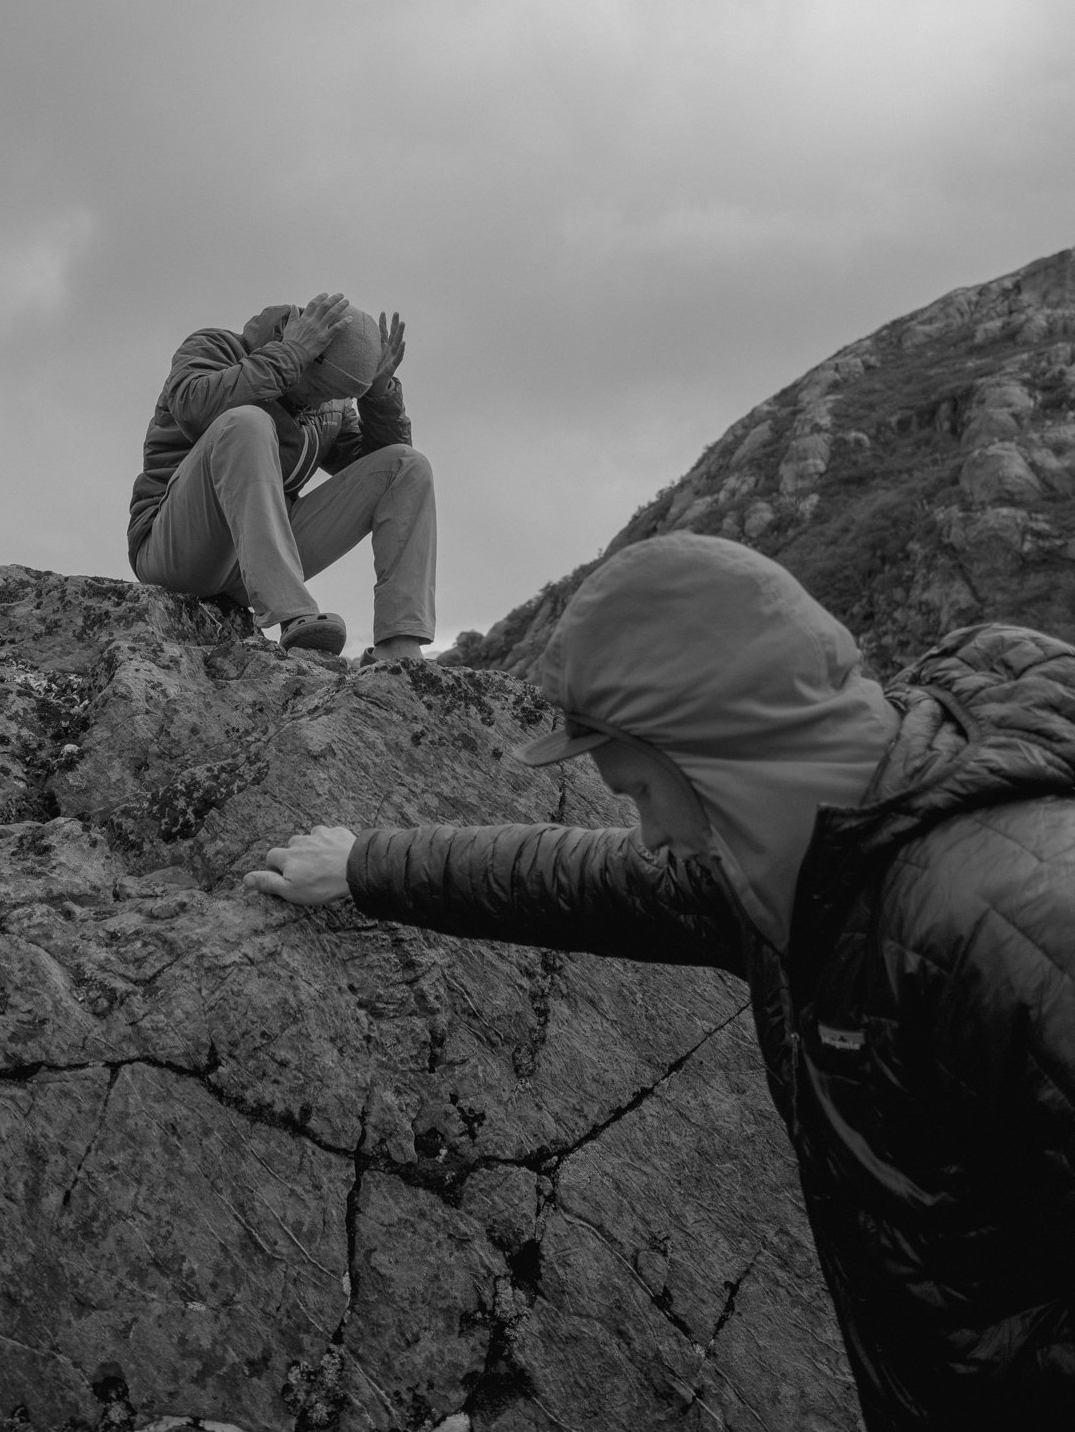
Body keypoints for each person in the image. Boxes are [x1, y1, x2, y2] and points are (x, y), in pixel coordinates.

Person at [244, 532, 1075, 1430]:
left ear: (722, 754)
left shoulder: (1014, 922)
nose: (644, 833)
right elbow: (577, 882)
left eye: (639, 791)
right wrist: (368, 864)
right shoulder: (805, 872)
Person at [128, 292, 436, 662]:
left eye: (337, 397)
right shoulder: (214, 346)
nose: (320, 404)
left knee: (407, 465)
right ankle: (292, 615)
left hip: (249, 568)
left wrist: (379, 394)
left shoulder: (330, 405)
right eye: (321, 390)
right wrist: (291, 354)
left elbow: (377, 473)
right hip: (176, 551)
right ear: (309, 349)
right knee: (246, 422)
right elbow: (195, 409)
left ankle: (398, 645)